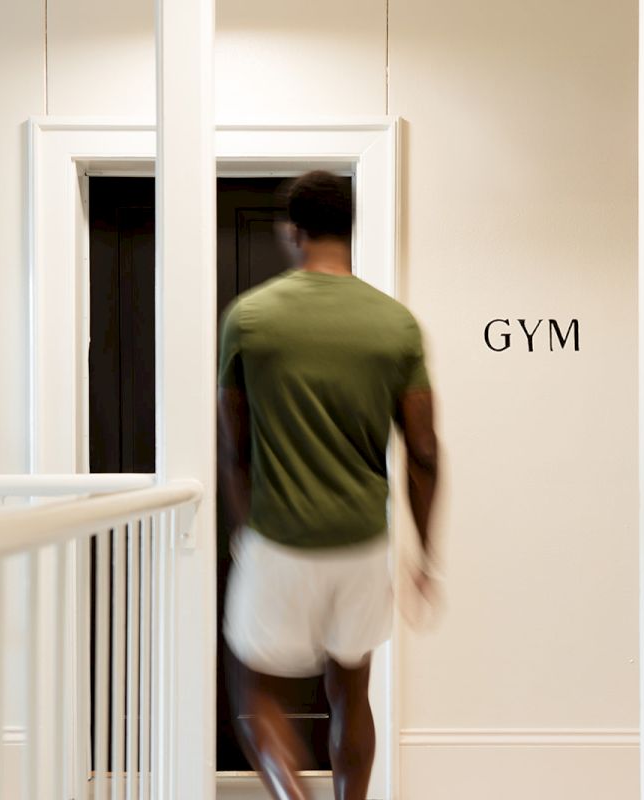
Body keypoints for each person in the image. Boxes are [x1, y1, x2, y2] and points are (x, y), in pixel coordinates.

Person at [218, 170, 440, 800]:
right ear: (350, 229)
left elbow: (235, 444)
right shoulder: (396, 325)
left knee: (254, 695)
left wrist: (246, 529)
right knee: (351, 694)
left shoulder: (250, 318)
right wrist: (425, 554)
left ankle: (294, 794)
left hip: (279, 539)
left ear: (294, 232)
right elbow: (423, 451)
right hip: (364, 543)